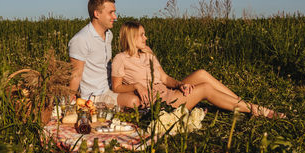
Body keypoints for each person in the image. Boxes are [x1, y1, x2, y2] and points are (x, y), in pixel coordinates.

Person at [111, 21, 285, 118]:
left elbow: (164, 78)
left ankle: (239, 103)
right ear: (132, 37)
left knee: (201, 73)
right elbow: (116, 87)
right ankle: (256, 109)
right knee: (205, 89)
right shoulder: (120, 59)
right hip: (158, 99)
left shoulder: (147, 53)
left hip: (167, 89)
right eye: (142, 34)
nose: (146, 37)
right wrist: (135, 86)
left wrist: (179, 84)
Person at [68, 0, 141, 107]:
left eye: (114, 12)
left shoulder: (109, 34)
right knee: (134, 102)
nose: (115, 17)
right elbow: (76, 74)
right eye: (111, 13)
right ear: (97, 14)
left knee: (146, 93)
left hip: (111, 88)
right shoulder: (81, 39)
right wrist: (69, 101)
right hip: (94, 95)